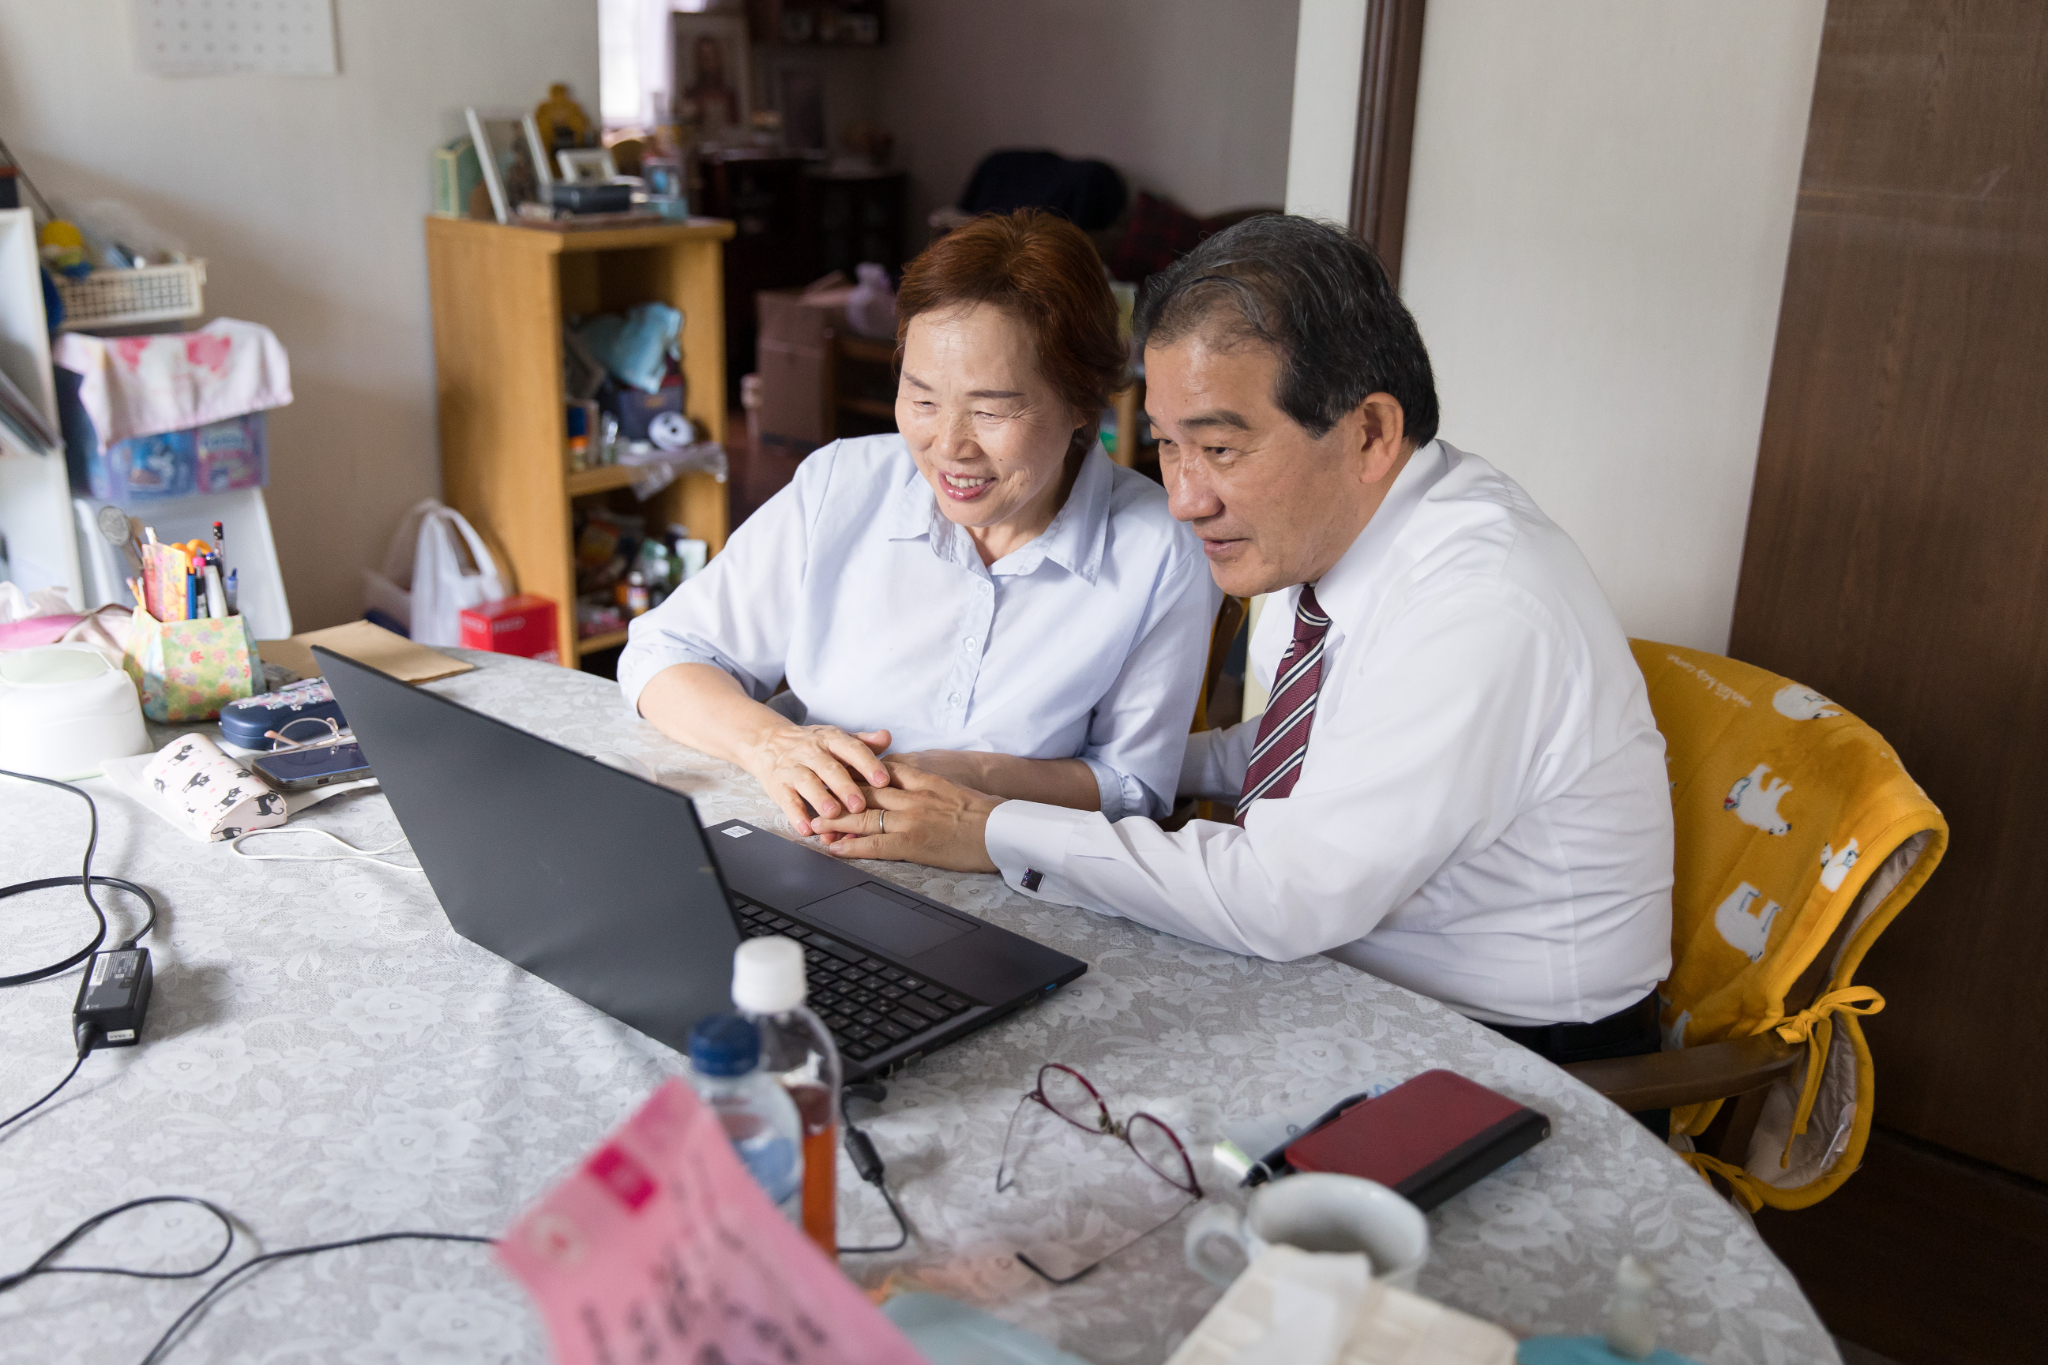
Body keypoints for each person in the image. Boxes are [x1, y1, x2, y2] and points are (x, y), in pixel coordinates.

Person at [812, 215, 1676, 1062]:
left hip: (1516, 1052)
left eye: (1221, 448)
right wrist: (1107, 764)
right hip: (1348, 985)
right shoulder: (1341, 531)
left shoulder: (1479, 603)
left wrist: (992, 826)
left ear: (1370, 432)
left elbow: (1282, 895)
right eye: (1167, 446)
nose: (1184, 498)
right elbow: (1318, 744)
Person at [620, 210, 1218, 843]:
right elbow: (665, 652)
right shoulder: (842, 484)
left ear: (1082, 401)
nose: (949, 447)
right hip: (809, 839)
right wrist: (772, 744)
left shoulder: (1161, 548)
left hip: (1007, 868)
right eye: (923, 399)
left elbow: (1133, 786)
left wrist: (969, 780)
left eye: (990, 412)